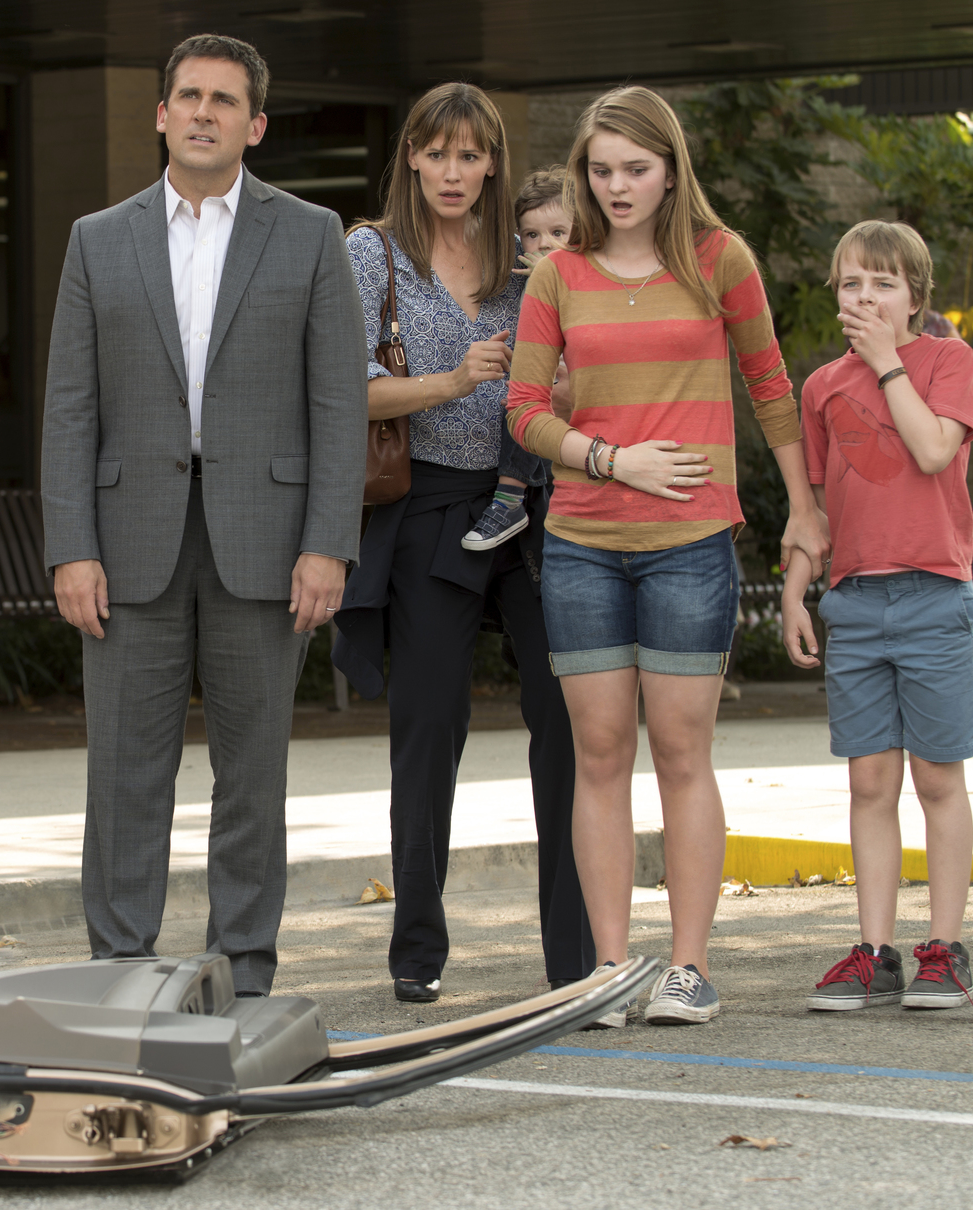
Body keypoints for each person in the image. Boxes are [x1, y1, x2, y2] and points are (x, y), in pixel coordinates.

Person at [39, 33, 367, 995]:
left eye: (225, 100)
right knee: (123, 776)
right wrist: (71, 547)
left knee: (252, 777)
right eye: (187, 95)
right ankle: (118, 968)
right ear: (160, 112)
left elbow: (337, 404)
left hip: (266, 547)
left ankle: (243, 972)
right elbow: (69, 408)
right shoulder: (98, 239)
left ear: (254, 125)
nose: (203, 112)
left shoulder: (308, 234)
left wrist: (327, 545)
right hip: (125, 544)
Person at [505, 85, 828, 1027]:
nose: (616, 187)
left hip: (691, 544)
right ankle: (611, 969)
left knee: (683, 752)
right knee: (599, 755)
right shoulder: (559, 275)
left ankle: (688, 968)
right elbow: (523, 412)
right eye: (601, 171)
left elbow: (771, 388)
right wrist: (612, 458)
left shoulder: (719, 260)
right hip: (581, 546)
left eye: (634, 169)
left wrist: (802, 510)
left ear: (671, 167)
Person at [331, 83, 592, 1004]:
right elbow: (345, 389)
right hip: (430, 505)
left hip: (535, 503)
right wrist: (447, 381)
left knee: (565, 717)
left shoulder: (533, 258)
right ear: (411, 156)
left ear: (492, 164)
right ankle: (417, 950)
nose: (453, 171)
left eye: (470, 155)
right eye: (436, 153)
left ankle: (575, 955)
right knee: (429, 723)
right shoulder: (373, 255)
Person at [782, 219, 973, 1012]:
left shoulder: (946, 361)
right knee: (869, 781)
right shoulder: (822, 386)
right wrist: (798, 588)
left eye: (884, 283)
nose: (866, 297)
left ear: (916, 298)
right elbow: (820, 509)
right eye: (853, 283)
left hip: (932, 594)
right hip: (856, 605)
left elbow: (934, 451)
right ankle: (874, 950)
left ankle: (945, 947)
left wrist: (887, 361)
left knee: (937, 776)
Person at [460, 165, 577, 551]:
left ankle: (510, 500)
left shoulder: (584, 276)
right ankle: (512, 502)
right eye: (532, 235)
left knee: (528, 402)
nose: (544, 244)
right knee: (518, 402)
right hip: (545, 410)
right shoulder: (531, 280)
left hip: (581, 403)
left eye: (558, 233)